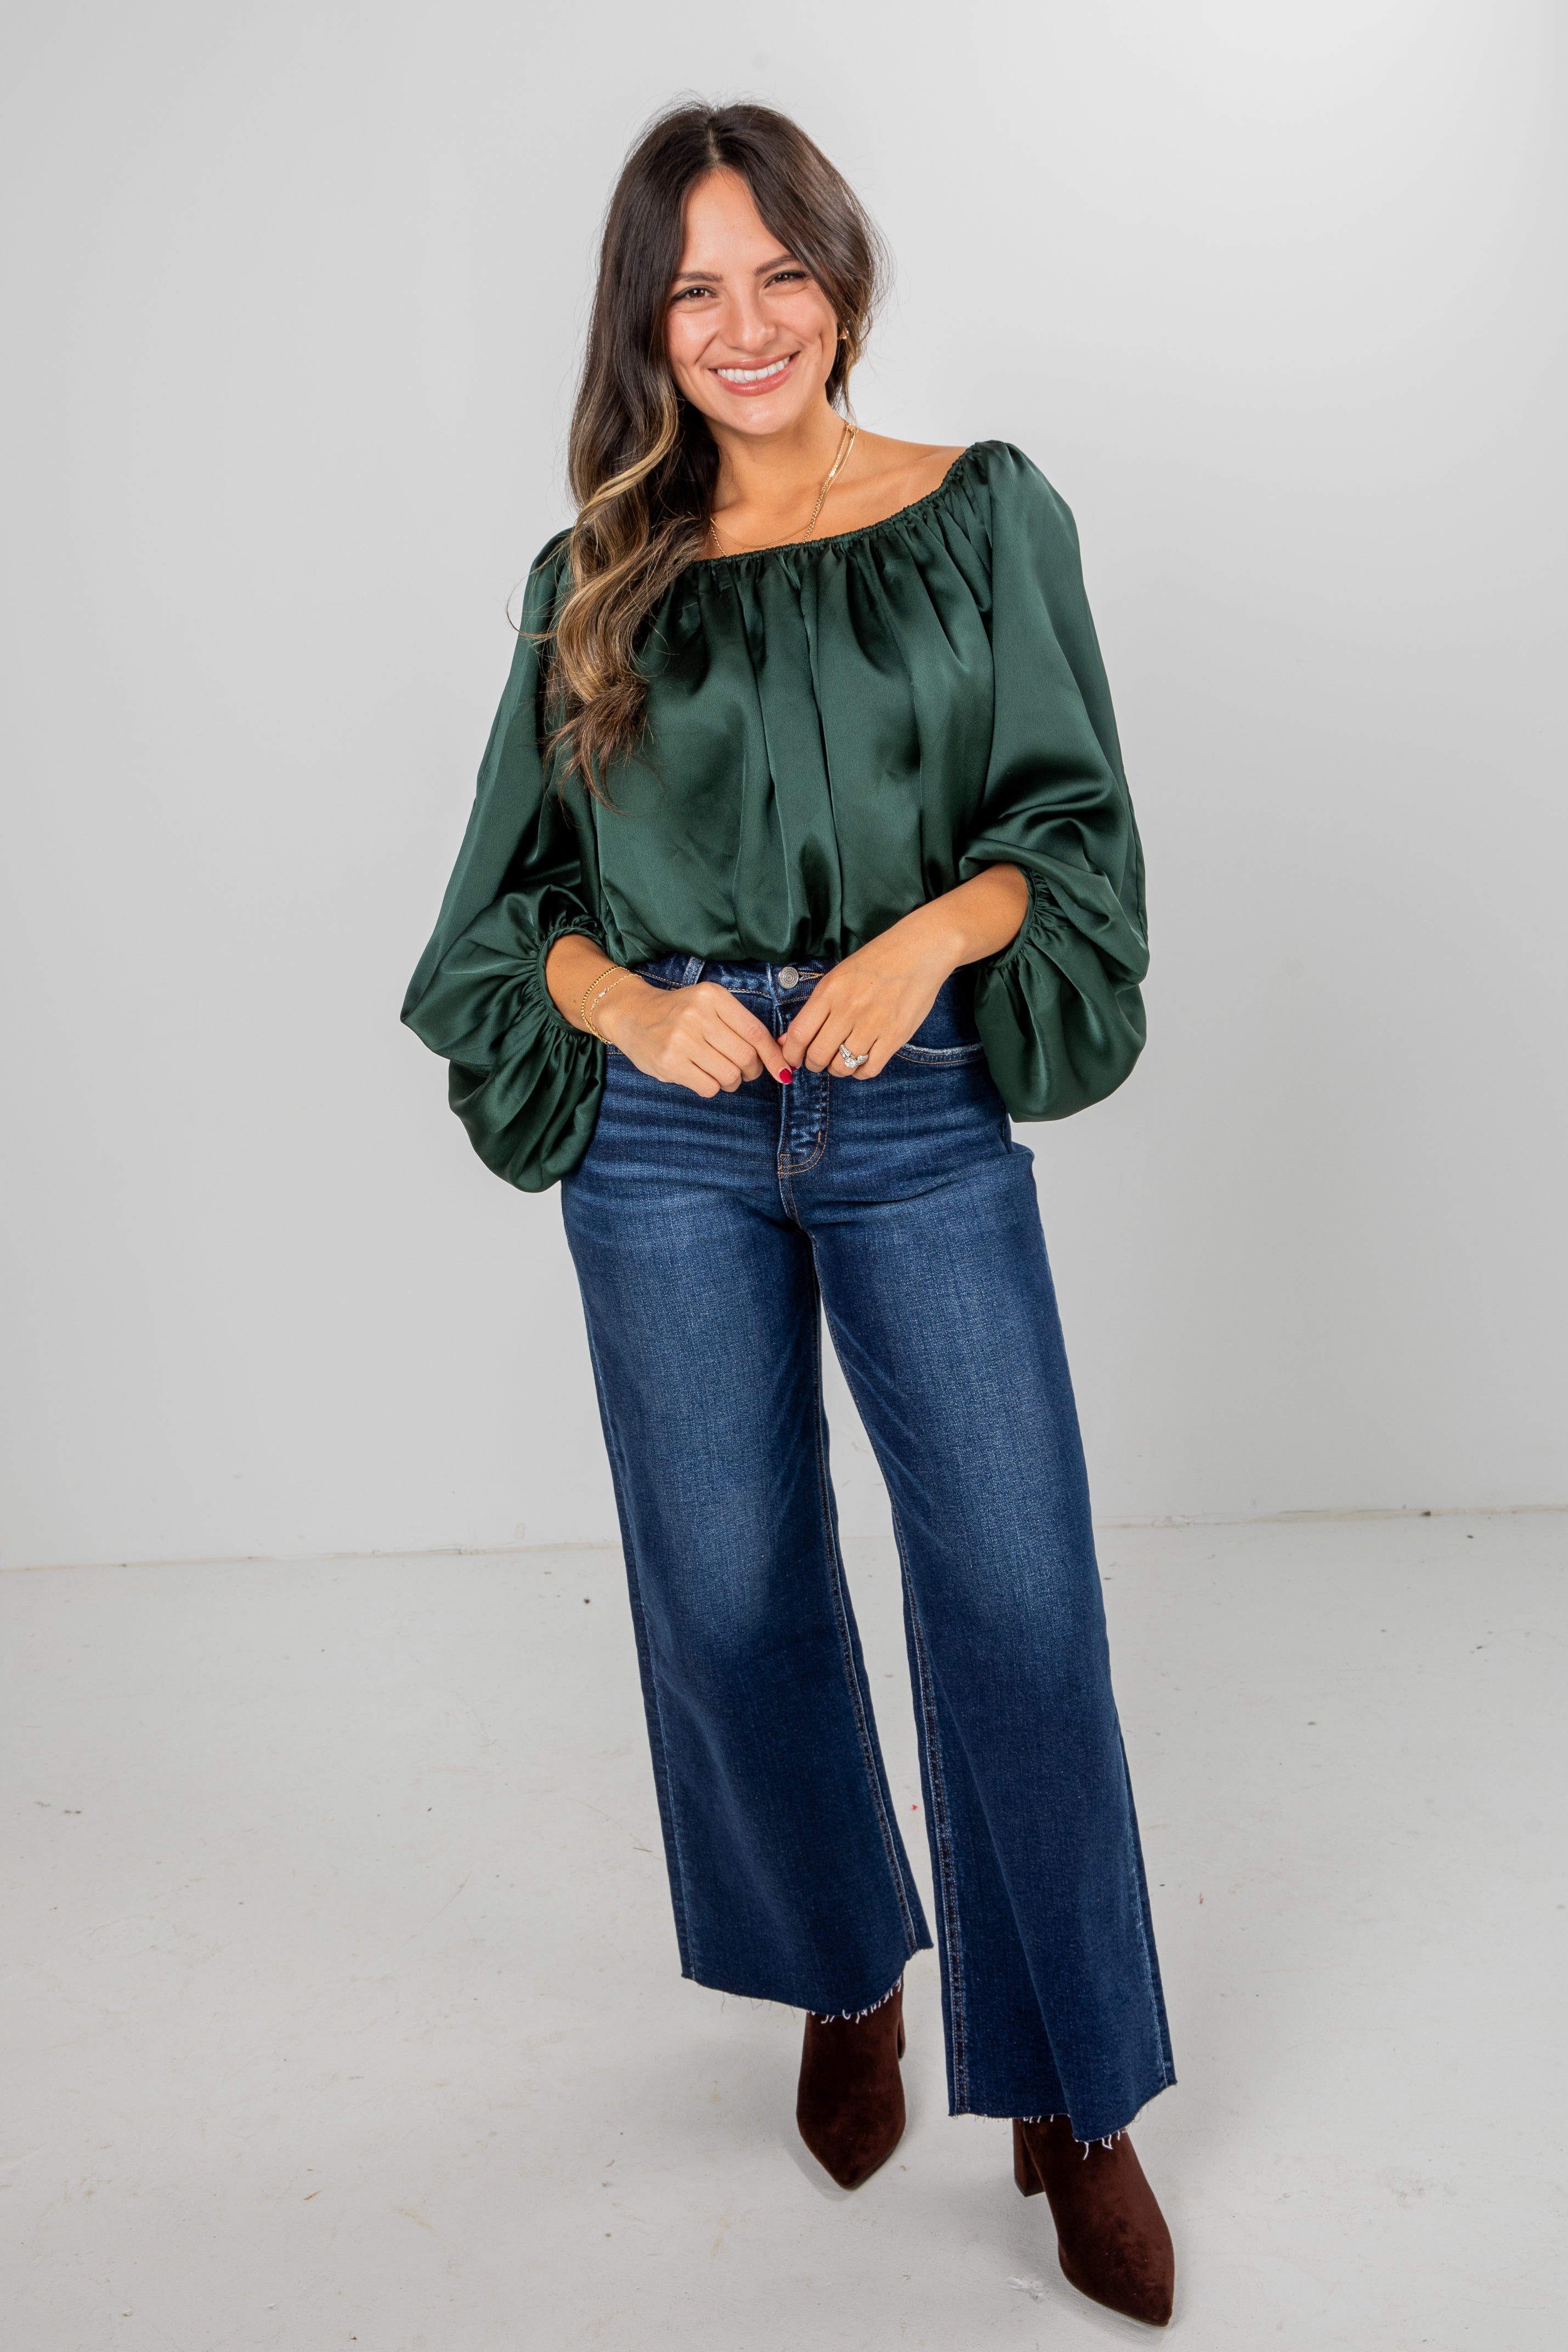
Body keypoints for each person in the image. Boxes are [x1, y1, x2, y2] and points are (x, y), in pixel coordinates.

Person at [403, 101, 1176, 2328]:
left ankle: (1073, 2093)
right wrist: (632, 1013)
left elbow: (1073, 835)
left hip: (911, 1099)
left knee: (1015, 1596)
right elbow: (504, 910)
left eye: (778, 273)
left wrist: (928, 941)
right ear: (645, 328)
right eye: (693, 293)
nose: (744, 325)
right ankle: (846, 1969)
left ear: (839, 277)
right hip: (669, 1135)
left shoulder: (983, 515)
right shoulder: (592, 578)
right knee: (730, 1597)